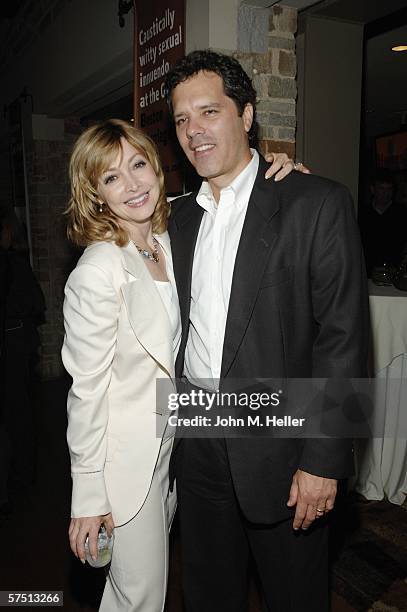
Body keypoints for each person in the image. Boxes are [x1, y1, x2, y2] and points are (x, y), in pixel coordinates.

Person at [62, 117, 300, 611]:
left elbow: (230, 200)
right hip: (127, 463)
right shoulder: (98, 270)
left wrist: (281, 172)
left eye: (138, 164)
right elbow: (85, 392)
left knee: (128, 590)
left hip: (175, 448)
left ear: (156, 165)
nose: (131, 184)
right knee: (144, 595)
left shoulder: (167, 234)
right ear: (95, 195)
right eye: (111, 178)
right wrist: (88, 498)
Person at [164, 50, 369, 611]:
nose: (194, 131)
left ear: (247, 115)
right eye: (182, 119)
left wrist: (324, 461)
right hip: (198, 443)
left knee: (295, 597)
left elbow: (343, 340)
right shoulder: (175, 221)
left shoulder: (314, 202)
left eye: (209, 112)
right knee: (207, 594)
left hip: (282, 450)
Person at [0, 210, 45, 511]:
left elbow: (36, 303)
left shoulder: (14, 263)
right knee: (17, 415)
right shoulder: (12, 263)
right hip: (13, 346)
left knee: (17, 414)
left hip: (14, 346)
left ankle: (22, 480)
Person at [358, 170, 407, 276]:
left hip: (394, 270)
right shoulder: (362, 214)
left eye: (389, 189)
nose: (386, 193)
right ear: (373, 189)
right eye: (381, 188)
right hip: (366, 270)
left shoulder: (401, 214)